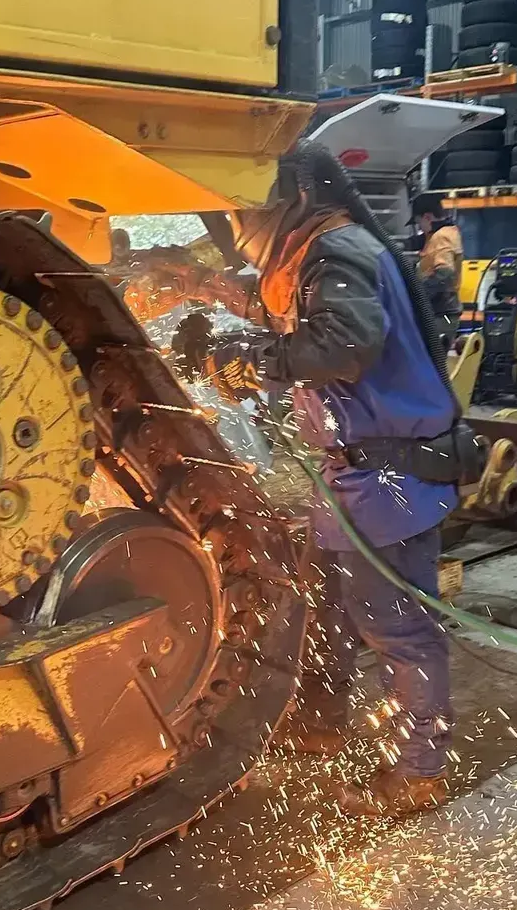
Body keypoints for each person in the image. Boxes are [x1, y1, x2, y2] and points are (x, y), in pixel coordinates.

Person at [187, 143, 483, 816]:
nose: (235, 232)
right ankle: (319, 725)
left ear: (282, 197)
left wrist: (249, 361)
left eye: (238, 215)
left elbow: (344, 343)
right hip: (353, 477)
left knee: (395, 627)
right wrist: (197, 287)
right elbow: (289, 308)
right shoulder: (316, 253)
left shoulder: (335, 250)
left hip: (391, 482)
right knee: (324, 613)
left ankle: (419, 770)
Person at [411, 192, 463, 343]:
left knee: (433, 359)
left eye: (418, 222)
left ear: (427, 217)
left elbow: (444, 274)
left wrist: (416, 295)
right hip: (442, 313)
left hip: (442, 314)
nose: (419, 227)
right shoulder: (446, 232)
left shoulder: (441, 236)